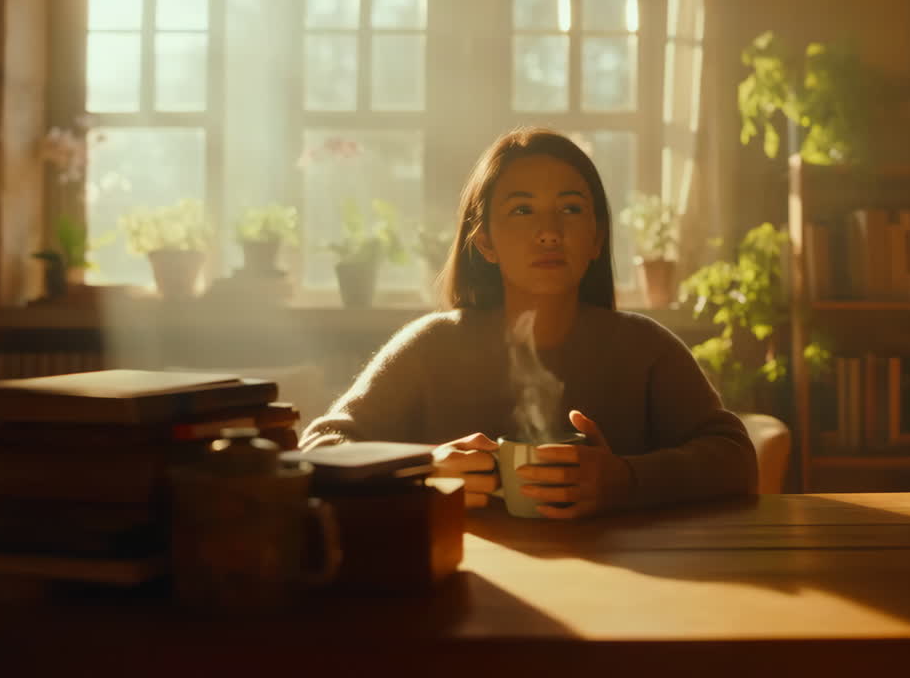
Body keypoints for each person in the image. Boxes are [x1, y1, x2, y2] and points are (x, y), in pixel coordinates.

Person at [301, 127, 757, 518]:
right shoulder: (430, 347)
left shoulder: (644, 350)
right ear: (485, 241)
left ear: (597, 237)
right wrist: (424, 470)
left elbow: (736, 458)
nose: (549, 232)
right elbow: (319, 450)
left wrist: (625, 478)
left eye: (571, 209)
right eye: (522, 210)